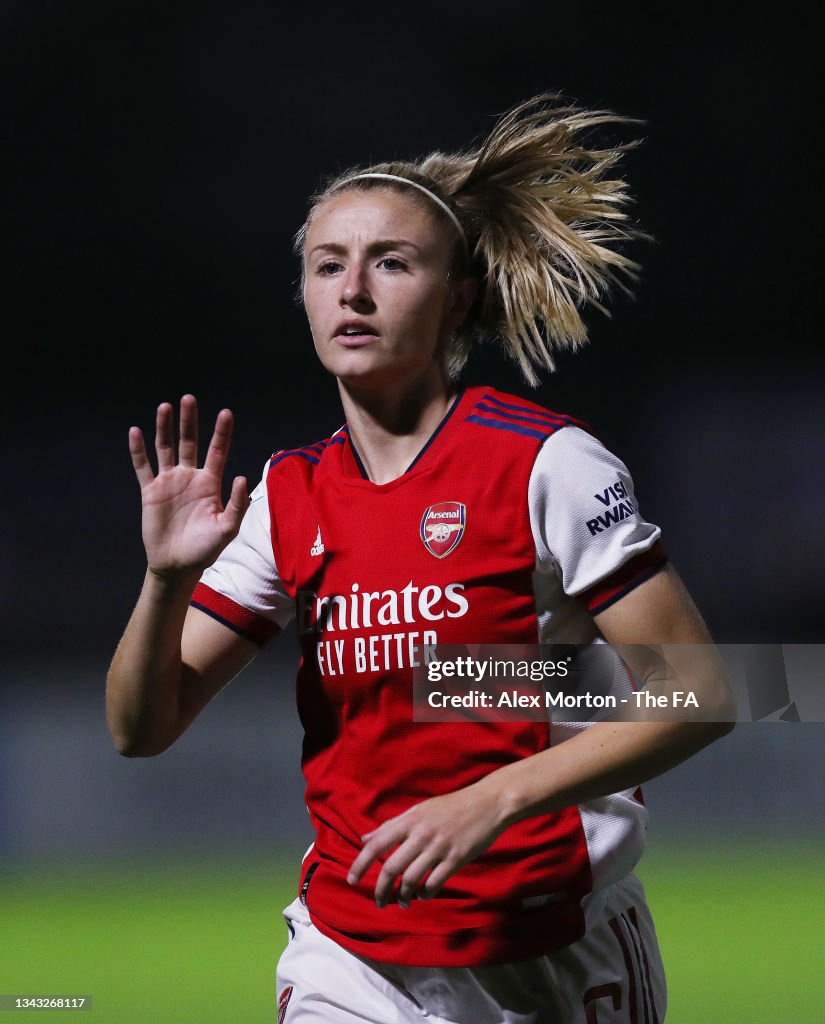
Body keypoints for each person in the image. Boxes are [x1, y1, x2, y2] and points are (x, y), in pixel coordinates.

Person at [107, 92, 735, 1023]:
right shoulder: (289, 496)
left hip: (548, 949)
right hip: (349, 957)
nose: (351, 290)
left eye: (389, 263)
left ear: (460, 298)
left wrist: (495, 798)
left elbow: (705, 694)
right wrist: (165, 581)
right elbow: (140, 728)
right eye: (327, 266)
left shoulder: (542, 462)